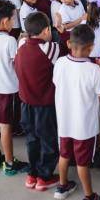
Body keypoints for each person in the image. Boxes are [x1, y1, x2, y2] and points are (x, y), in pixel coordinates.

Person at [51, 24, 100, 200]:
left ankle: (62, 185)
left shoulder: (59, 63)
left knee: (64, 154)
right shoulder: (94, 70)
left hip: (64, 122)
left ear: (68, 43)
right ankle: (89, 197)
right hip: (84, 127)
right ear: (91, 47)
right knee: (83, 162)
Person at [15, 12, 60, 190]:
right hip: (44, 104)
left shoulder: (21, 44)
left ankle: (32, 174)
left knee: (32, 139)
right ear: (46, 30)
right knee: (48, 139)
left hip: (25, 102)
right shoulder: (50, 48)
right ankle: (44, 177)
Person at [0, 0, 27, 175]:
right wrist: (21, 42)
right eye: (12, 20)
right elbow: (16, 64)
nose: (13, 23)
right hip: (7, 89)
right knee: (6, 126)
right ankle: (9, 162)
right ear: (4, 21)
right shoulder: (9, 41)